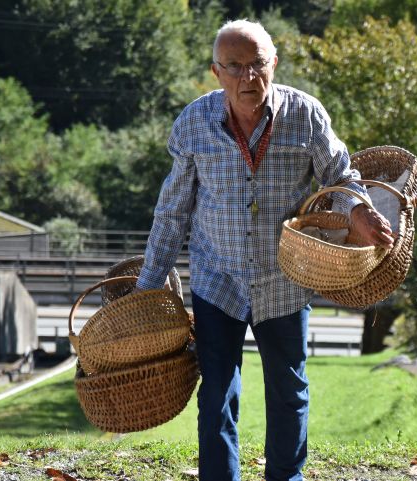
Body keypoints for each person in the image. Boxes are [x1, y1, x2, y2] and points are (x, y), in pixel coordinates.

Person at [136, 19, 393, 481]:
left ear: (273, 63)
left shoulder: (306, 114)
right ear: (216, 73)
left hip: (285, 279)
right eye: (234, 67)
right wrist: (147, 288)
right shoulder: (194, 123)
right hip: (219, 278)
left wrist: (359, 211)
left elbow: (341, 175)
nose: (247, 78)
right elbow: (172, 212)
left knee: (288, 389)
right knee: (216, 391)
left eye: (257, 65)